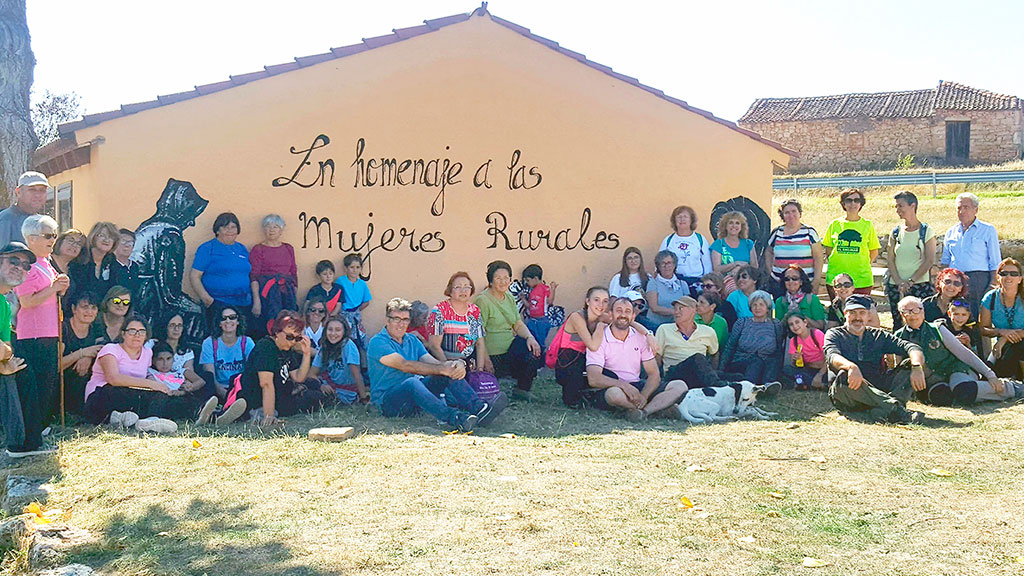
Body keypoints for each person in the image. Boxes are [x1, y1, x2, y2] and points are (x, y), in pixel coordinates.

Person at [368, 298, 505, 432]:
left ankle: (480, 409)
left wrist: (455, 365)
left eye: (405, 320)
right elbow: (405, 365)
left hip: (414, 399)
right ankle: (455, 418)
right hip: (388, 403)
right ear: (387, 320)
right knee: (412, 382)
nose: (401, 324)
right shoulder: (378, 342)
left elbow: (433, 362)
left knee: (446, 373)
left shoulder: (412, 340)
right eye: (396, 319)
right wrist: (442, 368)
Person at [83, 314, 225, 430]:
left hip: (132, 395)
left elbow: (147, 376)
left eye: (141, 331)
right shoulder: (111, 349)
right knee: (136, 393)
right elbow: (113, 378)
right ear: (123, 334)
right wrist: (152, 385)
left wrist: (162, 387)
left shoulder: (146, 353)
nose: (137, 335)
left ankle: (205, 414)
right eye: (132, 331)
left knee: (164, 397)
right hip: (102, 395)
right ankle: (149, 419)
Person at [895, 295, 1021, 405]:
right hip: (934, 380)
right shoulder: (899, 336)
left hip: (957, 369)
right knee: (940, 397)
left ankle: (1012, 388)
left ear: (923, 311)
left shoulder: (937, 329)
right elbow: (899, 366)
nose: (913, 315)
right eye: (907, 311)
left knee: (963, 390)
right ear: (901, 315)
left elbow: (964, 354)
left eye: (916, 310)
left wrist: (990, 375)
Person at [823, 295, 927, 424]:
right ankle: (895, 411)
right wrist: (851, 367)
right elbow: (832, 355)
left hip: (878, 388)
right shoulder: (834, 334)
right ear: (845, 314)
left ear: (868, 316)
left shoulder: (878, 335)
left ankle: (881, 411)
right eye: (853, 313)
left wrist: (917, 367)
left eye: (862, 313)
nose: (857, 317)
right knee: (844, 375)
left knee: (909, 364)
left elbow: (911, 347)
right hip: (849, 392)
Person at [585, 297, 688, 421]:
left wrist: (643, 396)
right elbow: (593, 378)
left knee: (680, 386)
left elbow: (654, 374)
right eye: (619, 310)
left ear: (633, 316)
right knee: (614, 394)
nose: (623, 315)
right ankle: (657, 408)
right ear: (610, 315)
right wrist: (624, 386)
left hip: (637, 384)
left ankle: (644, 411)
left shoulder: (641, 337)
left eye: (628, 311)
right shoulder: (599, 338)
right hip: (613, 386)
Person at [14, 215, 69, 427]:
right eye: (47, 235)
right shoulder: (26, 265)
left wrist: (61, 286)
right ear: (31, 238)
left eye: (54, 235)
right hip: (33, 334)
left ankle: (42, 427)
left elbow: (52, 294)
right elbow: (27, 301)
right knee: (36, 385)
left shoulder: (46, 262)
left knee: (48, 383)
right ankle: (32, 430)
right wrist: (54, 288)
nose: (53, 240)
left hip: (50, 331)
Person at [0, 242, 55, 457]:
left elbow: (6, 347)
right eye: (13, 261)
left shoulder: (5, 305)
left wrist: (4, 364)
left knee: (22, 370)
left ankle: (24, 443)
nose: (20, 268)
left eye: (26, 266)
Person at [238, 310, 333, 426]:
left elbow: (298, 377)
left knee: (314, 385)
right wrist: (269, 416)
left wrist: (306, 353)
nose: (293, 342)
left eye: (297, 338)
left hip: (280, 392)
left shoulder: (286, 348)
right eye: (289, 337)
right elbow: (266, 384)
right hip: (258, 397)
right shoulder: (266, 348)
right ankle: (257, 412)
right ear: (277, 332)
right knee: (313, 398)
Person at [475, 260, 543, 401]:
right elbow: (477, 333)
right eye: (498, 278)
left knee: (534, 347)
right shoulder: (483, 300)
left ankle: (522, 389)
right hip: (493, 354)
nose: (503, 282)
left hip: (510, 350)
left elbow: (517, 324)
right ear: (491, 281)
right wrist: (485, 359)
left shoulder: (509, 297)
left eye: (506, 278)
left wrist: (530, 337)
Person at [941, 192, 1002, 321]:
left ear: (976, 210)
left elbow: (995, 260)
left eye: (966, 207)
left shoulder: (987, 230)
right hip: (955, 280)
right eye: (959, 208)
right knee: (955, 316)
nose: (961, 211)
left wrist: (992, 284)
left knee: (977, 317)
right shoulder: (951, 232)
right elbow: (945, 260)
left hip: (978, 280)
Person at [189, 212, 252, 332]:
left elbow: (247, 273)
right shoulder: (208, 248)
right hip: (218, 303)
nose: (230, 231)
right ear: (217, 230)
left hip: (243, 303)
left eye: (233, 227)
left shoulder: (242, 249)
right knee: (218, 338)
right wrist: (207, 299)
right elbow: (195, 276)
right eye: (225, 227)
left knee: (240, 338)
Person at [885, 191, 937, 330]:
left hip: (920, 285)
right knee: (898, 323)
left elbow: (929, 260)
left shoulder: (926, 231)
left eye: (901, 206)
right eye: (896, 206)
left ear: (912, 205)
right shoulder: (896, 232)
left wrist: (911, 281)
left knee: (921, 323)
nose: (898, 210)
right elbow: (890, 260)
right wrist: (899, 282)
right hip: (896, 286)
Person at [657, 296, 732, 389]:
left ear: (693, 310)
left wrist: (711, 371)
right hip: (675, 373)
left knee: (737, 376)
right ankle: (716, 386)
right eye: (675, 309)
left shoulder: (708, 331)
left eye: (681, 308)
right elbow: (657, 357)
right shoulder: (664, 329)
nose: (676, 312)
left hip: (697, 374)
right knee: (697, 357)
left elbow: (714, 354)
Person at [720, 290, 783, 390]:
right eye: (754, 305)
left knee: (771, 361)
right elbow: (730, 347)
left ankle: (768, 387)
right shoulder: (742, 322)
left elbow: (778, 349)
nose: (758, 308)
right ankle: (748, 389)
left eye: (761, 305)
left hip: (766, 364)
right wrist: (721, 369)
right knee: (756, 361)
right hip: (742, 362)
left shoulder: (776, 324)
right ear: (750, 307)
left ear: (767, 308)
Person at [822, 189, 880, 297]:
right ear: (843, 204)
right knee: (838, 307)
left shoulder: (867, 225)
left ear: (861, 203)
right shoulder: (834, 224)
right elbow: (829, 249)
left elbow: (873, 251)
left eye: (856, 200)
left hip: (861, 280)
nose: (853, 203)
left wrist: (861, 265)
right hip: (837, 280)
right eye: (849, 200)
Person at [425, 272, 488, 366]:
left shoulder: (474, 311)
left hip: (469, 363)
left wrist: (480, 369)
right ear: (450, 291)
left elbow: (480, 343)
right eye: (458, 287)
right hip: (444, 364)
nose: (463, 291)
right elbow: (434, 346)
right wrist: (449, 367)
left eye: (467, 287)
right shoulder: (439, 310)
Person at [249, 214, 298, 335]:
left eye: (275, 227)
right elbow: (254, 276)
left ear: (281, 230)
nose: (271, 230)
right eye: (268, 226)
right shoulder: (258, 249)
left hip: (286, 294)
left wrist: (293, 294)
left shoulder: (288, 248)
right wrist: (257, 301)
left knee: (288, 326)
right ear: (263, 229)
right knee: (269, 325)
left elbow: (293, 272)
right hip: (267, 295)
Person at [765, 199, 823, 297]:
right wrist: (770, 272)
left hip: (804, 284)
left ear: (800, 213)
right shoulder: (777, 232)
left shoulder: (809, 232)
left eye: (794, 211)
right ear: (782, 215)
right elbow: (768, 252)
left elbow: (818, 257)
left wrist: (816, 281)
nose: (791, 215)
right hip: (780, 283)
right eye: (787, 212)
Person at [60, 291, 106, 416]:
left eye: (93, 308)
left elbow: (101, 350)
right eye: (84, 307)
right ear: (74, 309)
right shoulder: (62, 329)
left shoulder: (97, 329)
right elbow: (55, 366)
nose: (89, 312)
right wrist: (81, 353)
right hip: (61, 381)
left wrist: (88, 357)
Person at [979, 258, 1024, 380]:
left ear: (1020, 279)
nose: (1008, 277)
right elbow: (983, 329)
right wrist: (1001, 332)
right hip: (1002, 348)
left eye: (1014, 274)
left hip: (1017, 344)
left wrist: (1005, 338)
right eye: (1004, 273)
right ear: (998, 277)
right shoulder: (990, 298)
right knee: (988, 377)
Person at [145, 313, 208, 396]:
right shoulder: (152, 344)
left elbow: (190, 375)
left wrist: (184, 389)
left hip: (178, 389)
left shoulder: (186, 351)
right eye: (172, 325)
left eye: (179, 325)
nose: (176, 329)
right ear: (165, 327)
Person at [199, 306, 256, 398]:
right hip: (216, 389)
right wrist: (224, 394)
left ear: (238, 321)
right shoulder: (209, 343)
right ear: (219, 323)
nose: (228, 321)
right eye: (223, 318)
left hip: (241, 388)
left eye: (232, 317)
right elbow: (209, 375)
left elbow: (252, 370)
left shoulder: (247, 342)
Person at [310, 316, 368, 404]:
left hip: (346, 391)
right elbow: (311, 374)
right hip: (329, 385)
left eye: (338, 330)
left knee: (314, 398)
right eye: (330, 329)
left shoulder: (348, 346)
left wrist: (364, 398)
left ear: (344, 332)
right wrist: (321, 385)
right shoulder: (325, 346)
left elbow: (357, 375)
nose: (333, 333)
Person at [659, 205, 712, 292]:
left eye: (685, 217)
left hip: (697, 282)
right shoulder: (668, 240)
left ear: (691, 220)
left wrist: (706, 282)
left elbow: (707, 264)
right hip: (675, 282)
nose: (682, 219)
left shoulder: (700, 239)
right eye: (679, 217)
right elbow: (660, 261)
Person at [68, 222, 121, 302]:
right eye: (101, 235)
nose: (106, 240)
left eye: (111, 237)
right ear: (93, 237)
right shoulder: (80, 258)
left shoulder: (111, 260)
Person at [0, 172, 48, 246]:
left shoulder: (43, 222)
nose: (38, 195)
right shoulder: (5, 220)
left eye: (42, 190)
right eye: (32, 190)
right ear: (18, 192)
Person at [336, 253, 372, 352]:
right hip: (343, 314)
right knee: (344, 338)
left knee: (360, 339)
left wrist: (356, 310)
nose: (354, 270)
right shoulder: (341, 281)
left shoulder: (362, 284)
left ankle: (360, 360)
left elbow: (366, 301)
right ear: (346, 268)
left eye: (357, 267)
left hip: (356, 315)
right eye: (351, 267)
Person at [774, 264, 826, 331]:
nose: (791, 281)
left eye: (794, 278)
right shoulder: (780, 301)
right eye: (787, 279)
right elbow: (778, 328)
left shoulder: (812, 299)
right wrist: (787, 317)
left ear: (801, 281)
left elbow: (820, 326)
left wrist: (801, 316)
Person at [783, 312, 826, 391]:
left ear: (805, 322)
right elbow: (793, 364)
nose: (795, 326)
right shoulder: (794, 341)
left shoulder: (816, 334)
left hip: (824, 369)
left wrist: (819, 375)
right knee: (786, 370)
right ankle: (817, 385)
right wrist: (796, 359)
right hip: (809, 369)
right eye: (791, 324)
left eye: (797, 322)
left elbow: (829, 358)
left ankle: (809, 384)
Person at [645, 251, 690, 326]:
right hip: (655, 325)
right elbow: (654, 307)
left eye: (669, 263)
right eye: (663, 263)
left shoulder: (683, 284)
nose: (666, 266)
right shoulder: (653, 283)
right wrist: (676, 312)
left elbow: (688, 306)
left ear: (674, 265)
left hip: (678, 325)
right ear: (658, 266)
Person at [710, 211, 758, 276]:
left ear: (741, 227)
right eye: (731, 223)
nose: (734, 226)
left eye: (737, 223)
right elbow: (716, 269)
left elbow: (754, 267)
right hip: (724, 280)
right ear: (725, 226)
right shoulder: (718, 244)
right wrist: (735, 264)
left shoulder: (748, 244)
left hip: (745, 280)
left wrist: (739, 268)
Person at [520, 264, 557, 346]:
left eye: (528, 280)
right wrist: (523, 298)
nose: (527, 283)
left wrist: (553, 289)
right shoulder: (532, 291)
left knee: (540, 342)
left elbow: (549, 301)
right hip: (532, 320)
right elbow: (530, 306)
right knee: (530, 340)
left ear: (536, 278)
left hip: (541, 321)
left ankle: (541, 353)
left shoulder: (544, 288)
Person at [49, 229, 86, 309]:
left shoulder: (74, 270)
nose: (74, 245)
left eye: (79, 244)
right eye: (70, 240)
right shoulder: (47, 261)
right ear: (60, 241)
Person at [694, 292, 728, 358]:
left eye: (702, 302)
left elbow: (723, 345)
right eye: (697, 301)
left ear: (712, 306)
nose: (697, 304)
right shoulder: (691, 319)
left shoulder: (721, 322)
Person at [112, 228, 139, 295]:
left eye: (130, 243)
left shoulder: (135, 266)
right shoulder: (109, 264)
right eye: (123, 241)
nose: (127, 245)